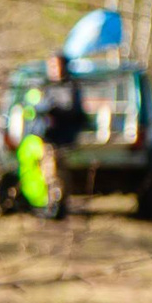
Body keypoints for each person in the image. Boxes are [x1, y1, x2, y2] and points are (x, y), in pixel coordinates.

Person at [28, 52, 90, 219]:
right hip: (46, 137)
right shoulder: (45, 86)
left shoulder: (71, 87)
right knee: (48, 172)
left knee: (56, 173)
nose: (54, 69)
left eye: (56, 65)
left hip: (63, 138)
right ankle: (53, 205)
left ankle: (57, 206)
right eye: (51, 65)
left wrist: (54, 109)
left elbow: (73, 110)